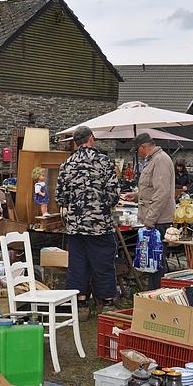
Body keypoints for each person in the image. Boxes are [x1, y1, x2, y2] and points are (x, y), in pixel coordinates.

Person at [56, 126, 120, 317]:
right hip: (100, 225)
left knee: (78, 264)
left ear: (76, 142)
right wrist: (103, 205)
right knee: (103, 262)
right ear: (91, 138)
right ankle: (107, 302)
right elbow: (114, 195)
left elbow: (60, 197)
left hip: (76, 226)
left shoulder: (66, 164)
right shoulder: (104, 162)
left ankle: (81, 304)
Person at [132, 133, 175, 290]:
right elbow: (152, 188)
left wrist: (150, 220)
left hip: (159, 220)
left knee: (156, 263)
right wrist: (136, 195)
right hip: (155, 219)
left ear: (143, 147)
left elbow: (161, 193)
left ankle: (157, 295)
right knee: (153, 263)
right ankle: (154, 294)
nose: (138, 153)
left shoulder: (160, 160)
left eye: (138, 150)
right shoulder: (154, 160)